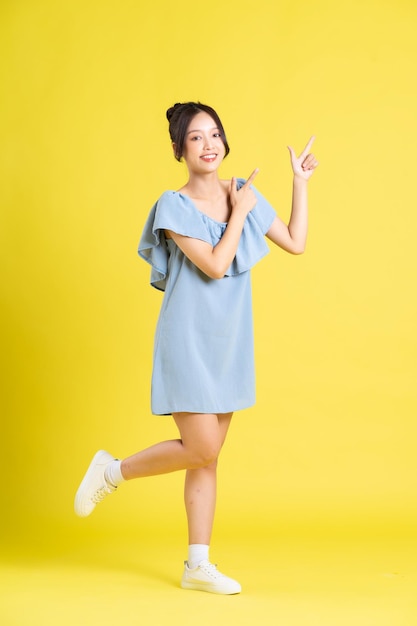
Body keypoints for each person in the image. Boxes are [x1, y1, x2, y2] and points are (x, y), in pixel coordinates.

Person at [74, 101, 318, 595]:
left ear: (225, 141)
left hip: (229, 340)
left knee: (207, 458)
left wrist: (300, 182)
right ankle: (113, 471)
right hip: (186, 337)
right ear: (178, 150)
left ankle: (197, 564)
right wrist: (241, 212)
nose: (209, 145)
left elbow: (295, 241)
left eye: (214, 135)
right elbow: (214, 264)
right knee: (201, 446)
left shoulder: (242, 192)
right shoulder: (173, 205)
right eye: (195, 138)